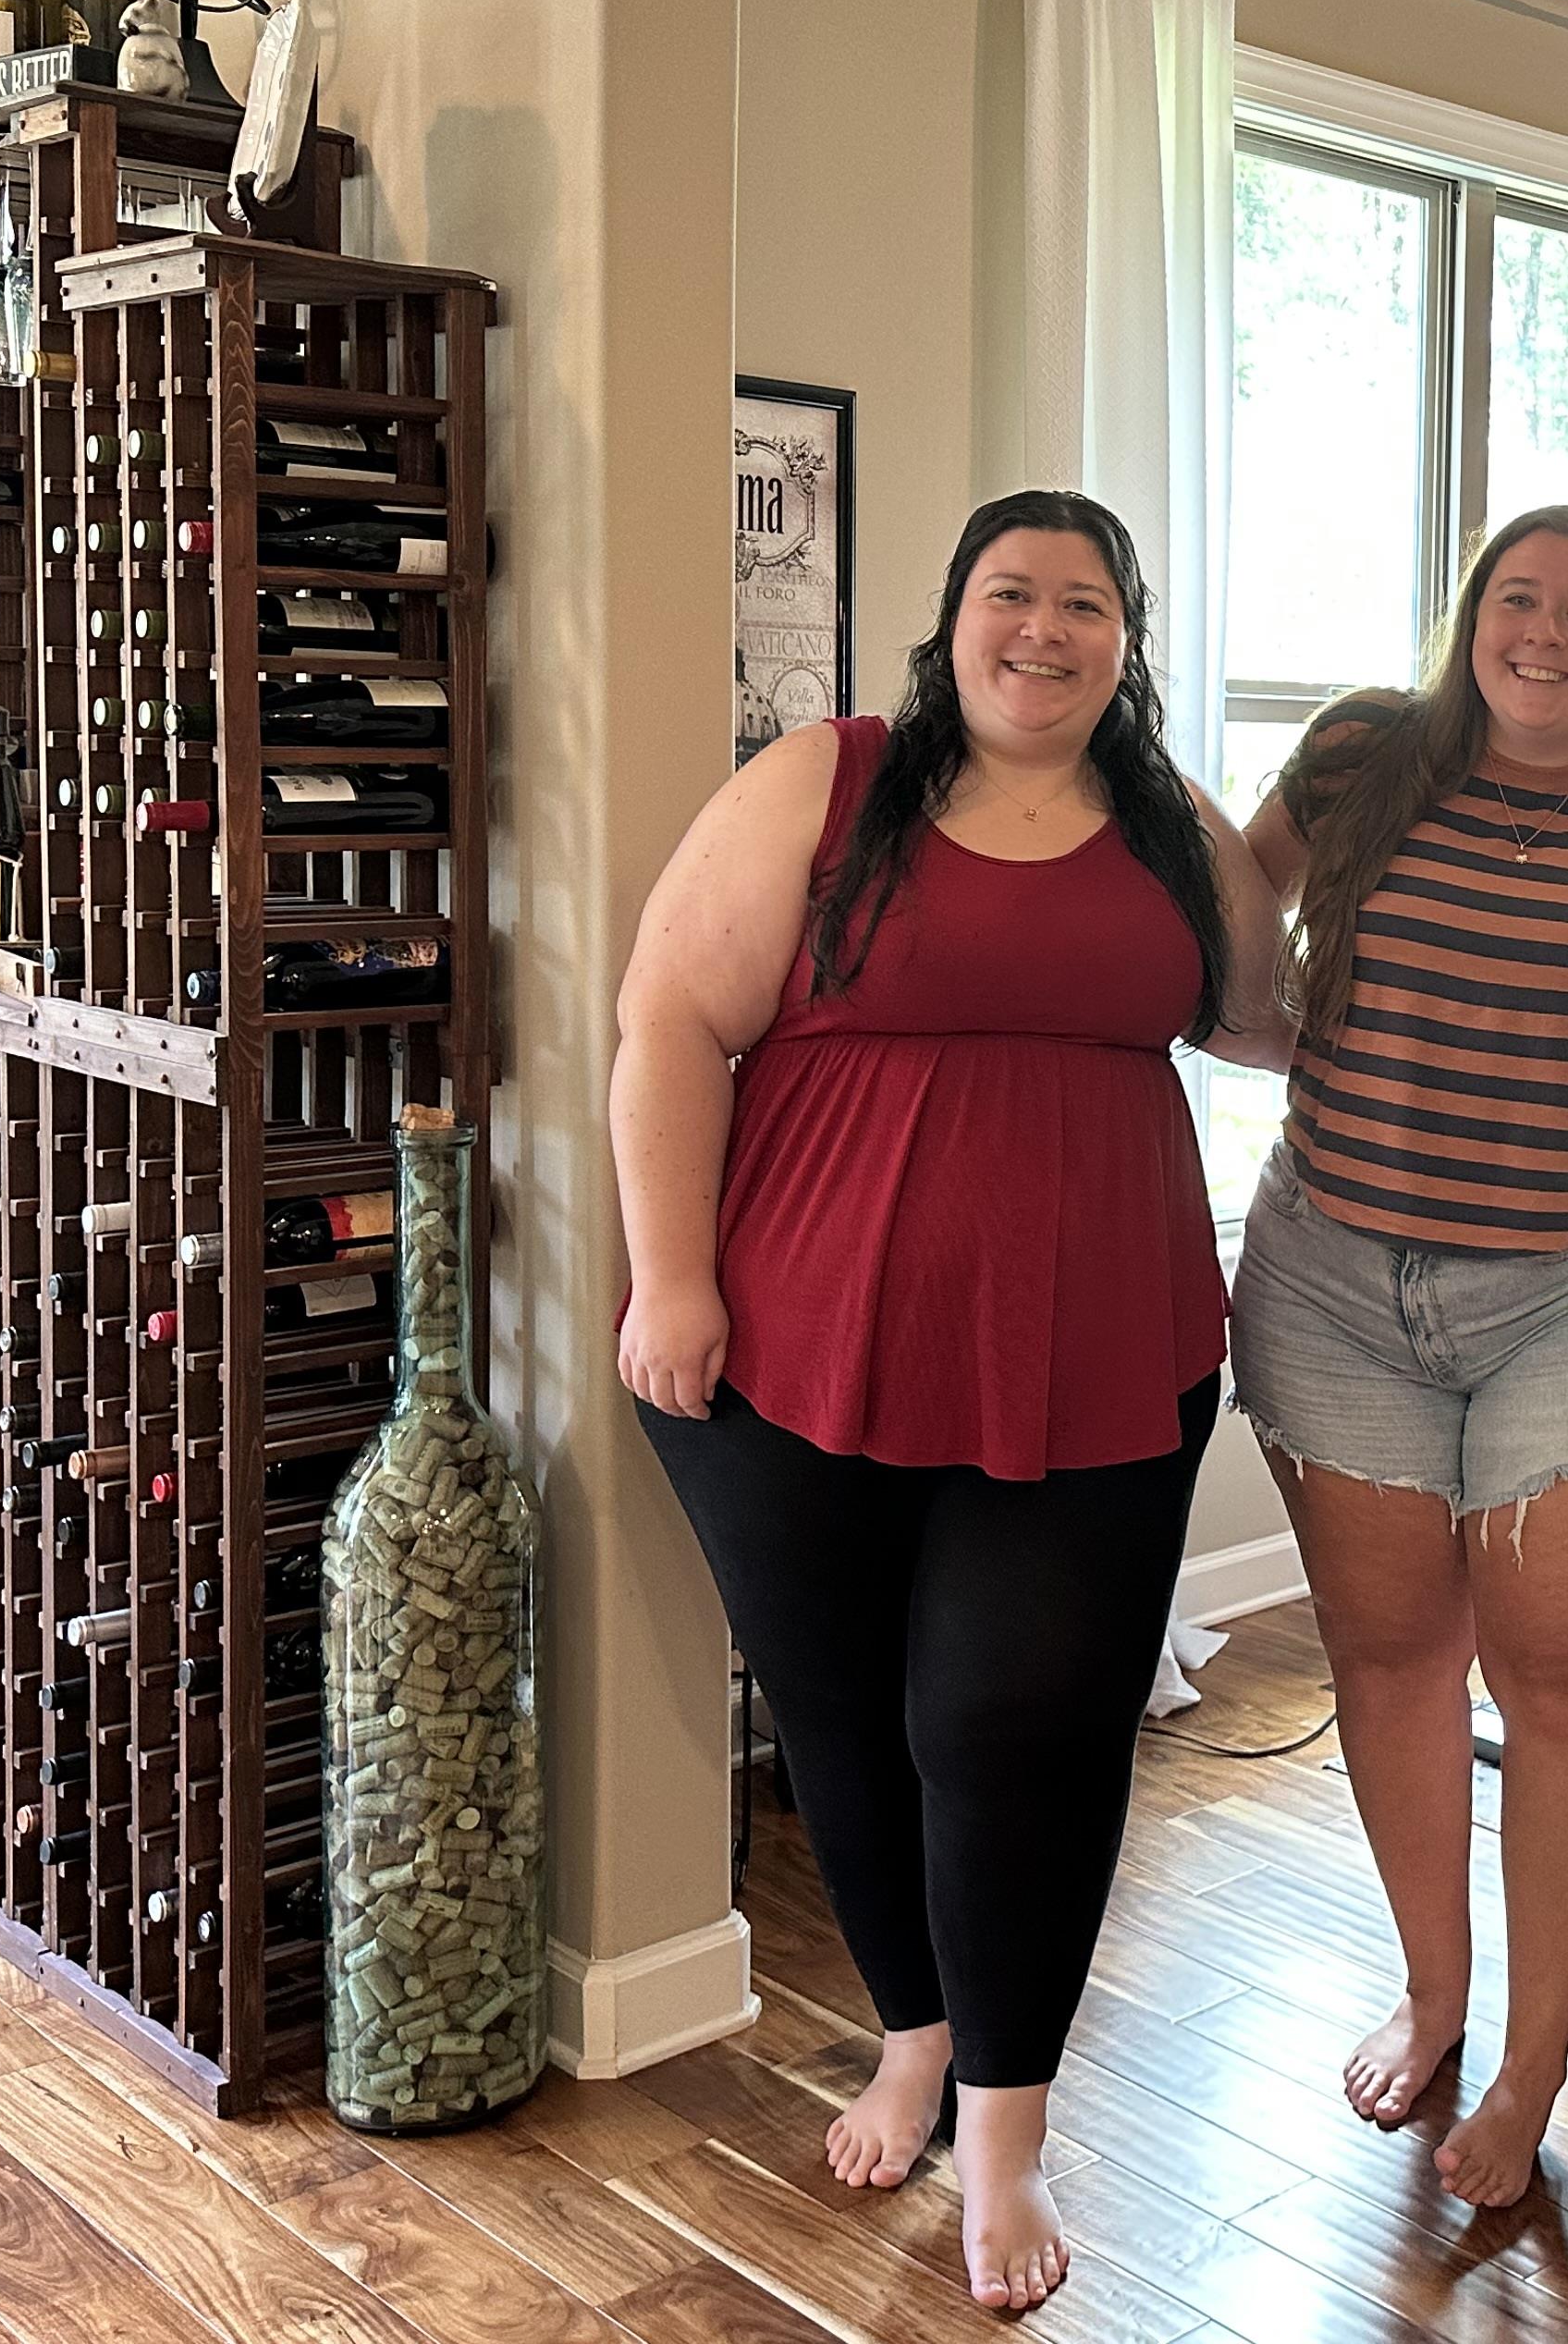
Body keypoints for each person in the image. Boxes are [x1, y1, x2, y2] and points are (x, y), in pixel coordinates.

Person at [611, 491, 1288, 2315]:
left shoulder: (1170, 823)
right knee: (842, 1716)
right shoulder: (829, 786)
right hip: (790, 1346)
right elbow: (669, 1018)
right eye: (1013, 593)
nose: (1044, 630)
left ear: (1126, 639)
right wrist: (672, 1277)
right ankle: (912, 2036)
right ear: (955, 615)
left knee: (1014, 1728)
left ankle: (1004, 2128)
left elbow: (1269, 1020)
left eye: (1086, 604)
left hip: (1096, 1349)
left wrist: (1337, 837)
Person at [1232, 504, 1568, 2209]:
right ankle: (1434, 1991)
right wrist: (1270, 1033)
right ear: (1470, 616)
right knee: (1389, 1656)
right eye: (1517, 598)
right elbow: (1228, 910)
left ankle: (1535, 2066)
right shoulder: (1363, 756)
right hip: (1334, 1283)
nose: (1545, 632)